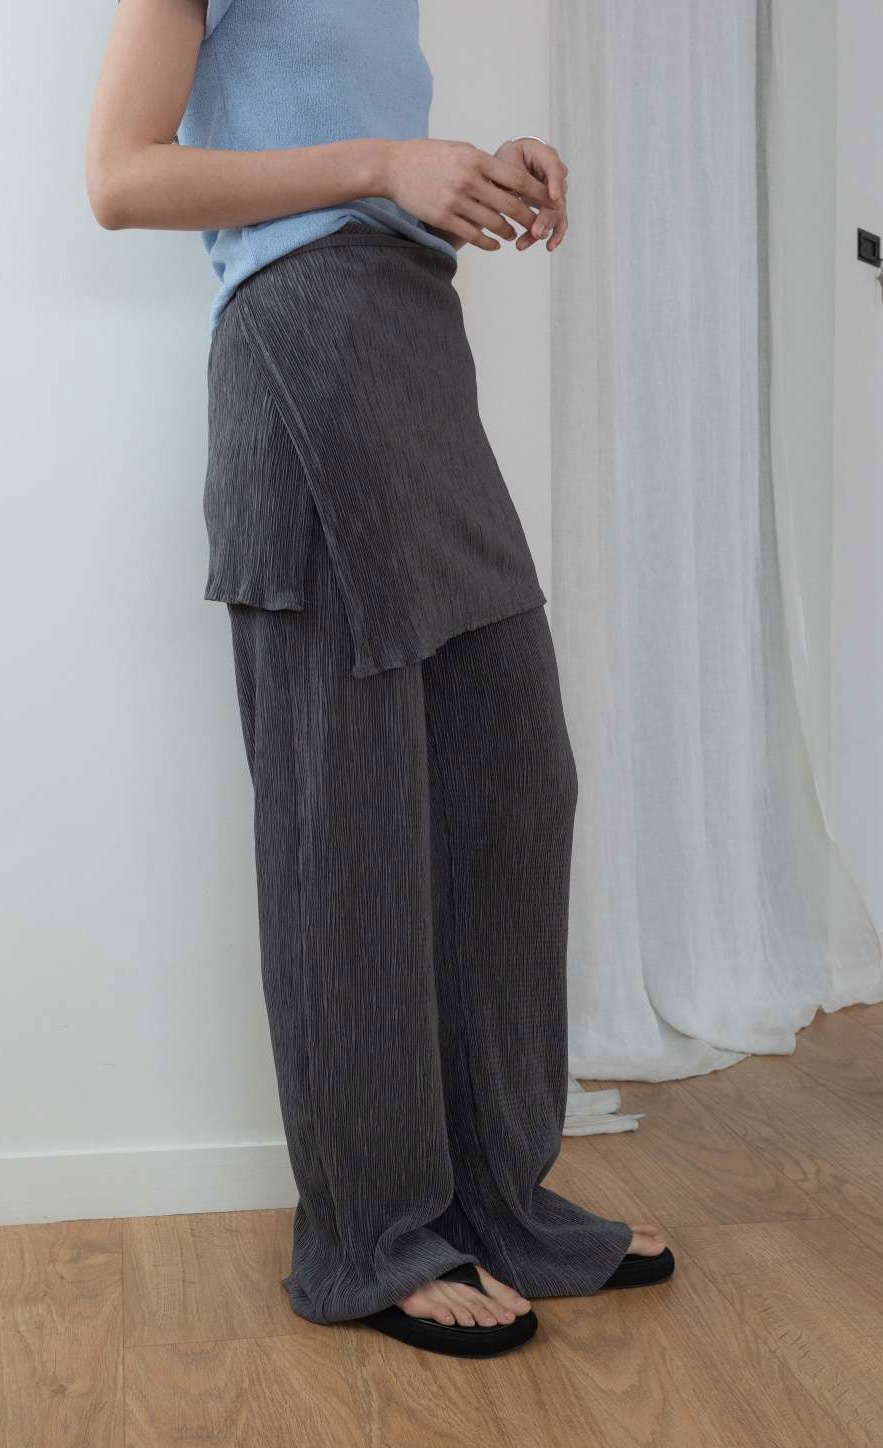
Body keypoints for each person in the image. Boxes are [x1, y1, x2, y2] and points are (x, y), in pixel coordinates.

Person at [85, 0, 674, 1360]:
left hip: (412, 345)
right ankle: (374, 1234)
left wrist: (468, 175)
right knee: (344, 821)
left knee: (512, 784)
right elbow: (119, 176)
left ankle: (496, 1200)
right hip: (302, 349)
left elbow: (346, 133)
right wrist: (381, 162)